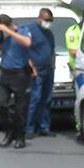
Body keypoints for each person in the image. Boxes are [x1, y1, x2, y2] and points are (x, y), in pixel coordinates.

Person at [0, 13, 35, 149]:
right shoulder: (2, 35)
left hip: (20, 75)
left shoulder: (23, 30)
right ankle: (9, 131)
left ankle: (20, 137)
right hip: (5, 74)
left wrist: (9, 32)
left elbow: (27, 43)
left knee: (20, 109)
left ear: (11, 24)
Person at [24, 8, 57, 137]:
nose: (48, 22)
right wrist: (31, 68)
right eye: (46, 20)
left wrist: (53, 66)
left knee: (47, 99)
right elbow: (24, 51)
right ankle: (29, 128)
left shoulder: (49, 33)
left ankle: (44, 127)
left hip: (48, 70)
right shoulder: (29, 30)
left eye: (50, 20)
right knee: (35, 98)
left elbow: (52, 50)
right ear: (39, 18)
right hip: (36, 70)